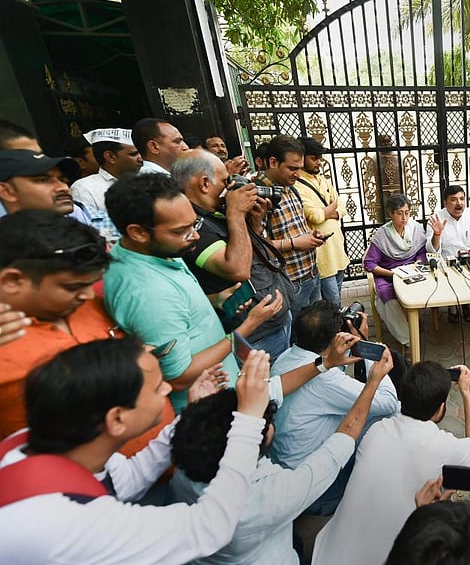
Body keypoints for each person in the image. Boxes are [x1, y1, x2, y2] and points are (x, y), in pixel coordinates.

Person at [0, 338, 274, 563]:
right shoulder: (69, 524)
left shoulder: (37, 443)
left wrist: (189, 414)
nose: (168, 388)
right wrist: (249, 418)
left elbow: (126, 479)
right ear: (117, 419)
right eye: (157, 389)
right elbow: (209, 527)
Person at [170, 339, 394, 565]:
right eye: (265, 419)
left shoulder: (186, 462)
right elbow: (346, 432)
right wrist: (374, 380)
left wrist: (324, 363)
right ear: (255, 443)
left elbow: (276, 388)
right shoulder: (277, 492)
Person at [103, 173, 284, 412]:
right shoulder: (147, 292)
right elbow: (179, 377)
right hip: (205, 415)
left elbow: (176, 314)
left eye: (194, 224)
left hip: (223, 394)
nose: (195, 236)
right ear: (138, 232)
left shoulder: (156, 252)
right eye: (182, 231)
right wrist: (247, 327)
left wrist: (214, 301)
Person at [0, 210, 176, 452]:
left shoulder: (84, 304)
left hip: (165, 458)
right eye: (73, 287)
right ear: (13, 280)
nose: (88, 295)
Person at [312, 362, 470, 565]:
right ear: (440, 410)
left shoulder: (377, 430)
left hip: (325, 555)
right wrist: (466, 392)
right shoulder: (446, 447)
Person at [269, 300, 399, 515]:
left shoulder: (285, 358)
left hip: (289, 469)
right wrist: (366, 347)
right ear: (333, 342)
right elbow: (387, 402)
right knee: (394, 414)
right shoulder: (325, 378)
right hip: (319, 493)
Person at [173, 150, 294, 359]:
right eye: (225, 180)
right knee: (269, 389)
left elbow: (250, 253)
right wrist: (236, 214)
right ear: (204, 183)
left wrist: (254, 226)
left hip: (273, 320)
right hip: (255, 337)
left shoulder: (218, 212)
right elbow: (237, 269)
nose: (231, 187)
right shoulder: (193, 226)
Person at [255, 135, 325, 317]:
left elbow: (297, 228)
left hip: (311, 274)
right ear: (272, 162)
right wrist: (295, 243)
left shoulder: (291, 188)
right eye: (292, 168)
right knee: (297, 337)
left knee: (317, 336)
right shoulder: (258, 195)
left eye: (300, 169)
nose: (297, 174)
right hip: (289, 283)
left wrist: (310, 235)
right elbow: (256, 247)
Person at [426, 185, 470, 321]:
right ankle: (453, 307)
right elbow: (432, 251)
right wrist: (437, 234)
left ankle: (466, 306)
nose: (459, 203)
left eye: (461, 199)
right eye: (453, 200)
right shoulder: (436, 218)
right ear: (445, 203)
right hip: (447, 266)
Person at [364, 193, 427, 348]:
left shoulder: (416, 228)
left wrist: (417, 265)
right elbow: (370, 263)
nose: (404, 218)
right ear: (391, 214)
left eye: (407, 213)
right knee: (387, 296)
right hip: (388, 274)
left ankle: (414, 323)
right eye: (399, 213)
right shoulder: (382, 234)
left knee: (426, 287)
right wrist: (393, 274)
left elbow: (422, 253)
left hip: (412, 271)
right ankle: (409, 339)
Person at [295, 137, 351, 307]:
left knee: (337, 296)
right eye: (314, 158)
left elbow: (342, 208)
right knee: (332, 302)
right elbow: (314, 216)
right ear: (302, 157)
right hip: (322, 254)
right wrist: (327, 212)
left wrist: (329, 212)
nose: (318, 163)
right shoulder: (297, 185)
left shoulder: (323, 180)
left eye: (319, 158)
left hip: (337, 249)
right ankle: (336, 331)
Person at [70, 128, 144, 244]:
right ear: (110, 157)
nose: (141, 158)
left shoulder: (148, 179)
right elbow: (89, 234)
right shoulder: (84, 188)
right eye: (133, 154)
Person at [0, 149, 94, 227]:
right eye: (43, 180)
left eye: (62, 179)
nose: (63, 187)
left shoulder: (76, 219)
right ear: (6, 191)